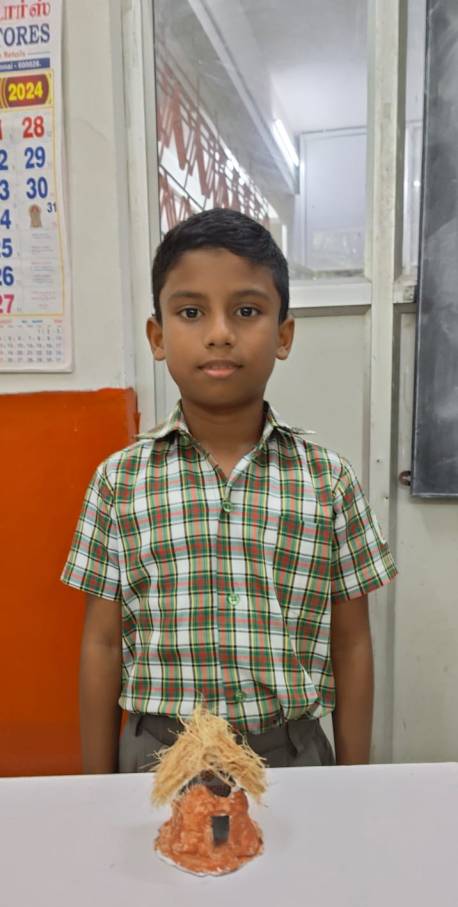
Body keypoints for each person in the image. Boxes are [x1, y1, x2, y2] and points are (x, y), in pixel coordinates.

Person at [62, 208, 397, 773]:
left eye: (246, 311)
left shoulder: (329, 481)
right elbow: (102, 644)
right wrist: (95, 788)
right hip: (156, 758)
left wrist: (354, 782)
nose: (219, 333)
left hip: (290, 756)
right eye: (191, 312)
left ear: (284, 335)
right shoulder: (118, 482)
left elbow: (352, 644)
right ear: (158, 336)